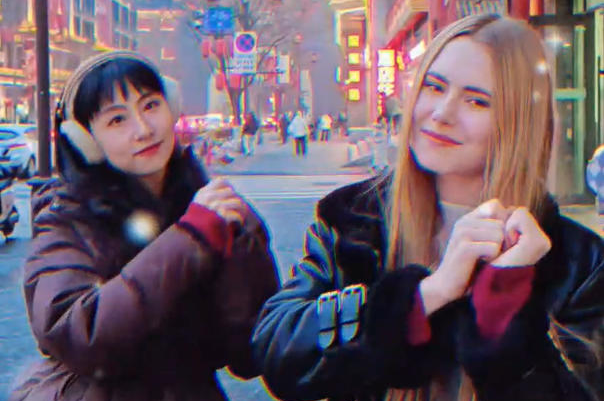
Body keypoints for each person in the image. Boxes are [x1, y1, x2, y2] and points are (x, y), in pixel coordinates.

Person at [252, 14, 603, 401]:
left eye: (476, 101)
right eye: (434, 87)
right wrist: (424, 297)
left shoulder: (578, 261)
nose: (442, 113)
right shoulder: (352, 222)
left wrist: (503, 317)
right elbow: (277, 351)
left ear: (518, 121)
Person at [9, 51, 279, 401]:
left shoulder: (205, 205)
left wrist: (242, 242)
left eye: (150, 106)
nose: (144, 130)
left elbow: (249, 354)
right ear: (86, 140)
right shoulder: (65, 219)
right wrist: (190, 239)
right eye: (117, 120)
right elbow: (77, 336)